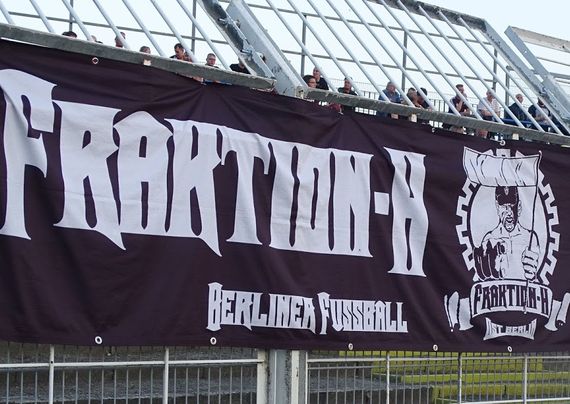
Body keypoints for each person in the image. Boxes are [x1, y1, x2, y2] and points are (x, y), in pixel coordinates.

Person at [474, 186, 539, 282]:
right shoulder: (490, 239)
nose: (509, 212)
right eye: (503, 206)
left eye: (512, 205)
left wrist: (533, 273)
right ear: (497, 208)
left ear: (519, 207)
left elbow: (537, 274)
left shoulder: (530, 238)